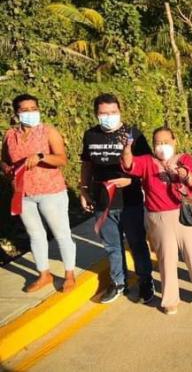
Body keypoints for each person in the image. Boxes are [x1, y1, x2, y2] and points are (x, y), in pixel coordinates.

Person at [121, 127, 192, 315]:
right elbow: (129, 165)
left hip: (185, 214)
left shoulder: (183, 159)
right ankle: (170, 299)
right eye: (158, 143)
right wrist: (127, 149)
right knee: (166, 259)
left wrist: (185, 175)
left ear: (174, 141)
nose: (162, 147)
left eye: (166, 142)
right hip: (159, 218)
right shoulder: (147, 162)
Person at [80, 93, 153, 304]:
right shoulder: (90, 135)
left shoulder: (133, 135)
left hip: (130, 202)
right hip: (102, 202)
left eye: (113, 112)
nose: (108, 117)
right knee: (112, 246)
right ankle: (118, 283)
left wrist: (131, 181)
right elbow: (87, 164)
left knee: (137, 243)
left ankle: (145, 281)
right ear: (96, 114)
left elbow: (147, 165)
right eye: (103, 113)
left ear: (120, 111)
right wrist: (84, 190)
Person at [1, 94, 76, 293]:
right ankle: (44, 274)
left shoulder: (48, 132)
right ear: (17, 112)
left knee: (61, 234)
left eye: (33, 108)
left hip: (51, 191)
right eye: (25, 110)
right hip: (23, 193)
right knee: (35, 235)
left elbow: (62, 159)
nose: (30, 112)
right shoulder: (9, 135)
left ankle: (69, 275)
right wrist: (7, 169)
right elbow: (4, 159)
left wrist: (41, 156)